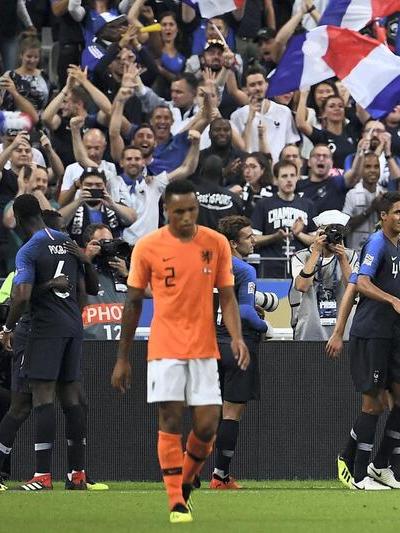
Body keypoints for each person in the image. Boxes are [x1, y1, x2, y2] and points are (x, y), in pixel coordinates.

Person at [111, 179, 250, 523]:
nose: (187, 217)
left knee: (206, 427)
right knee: (170, 419)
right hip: (165, 346)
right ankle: (176, 502)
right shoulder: (147, 246)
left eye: (192, 210)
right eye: (179, 211)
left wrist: (236, 336)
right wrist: (123, 358)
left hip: (204, 347)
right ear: (166, 211)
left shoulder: (215, 242)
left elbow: (228, 295)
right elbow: (131, 303)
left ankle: (185, 483)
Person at [0, 194, 98, 491]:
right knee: (72, 399)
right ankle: (77, 474)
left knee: (42, 397)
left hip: (45, 329)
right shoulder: (67, 242)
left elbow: (23, 295)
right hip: (73, 327)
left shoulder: (29, 249)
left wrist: (7, 327)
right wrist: (85, 261)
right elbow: (90, 289)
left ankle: (42, 476)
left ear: (16, 217)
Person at [327, 192, 400, 490]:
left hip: (393, 334)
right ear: (383, 216)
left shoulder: (398, 244)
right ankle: (356, 472)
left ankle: (380, 466)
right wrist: (339, 332)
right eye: (398, 212)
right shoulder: (377, 243)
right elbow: (359, 283)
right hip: (371, 333)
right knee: (373, 405)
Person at [210, 215, 269, 490]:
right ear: (233, 243)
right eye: (248, 237)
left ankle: (185, 469)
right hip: (236, 345)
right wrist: (264, 324)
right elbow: (246, 311)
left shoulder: (205, 265)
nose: (253, 240)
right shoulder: (244, 269)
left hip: (207, 344)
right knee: (231, 414)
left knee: (207, 413)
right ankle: (220, 475)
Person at [290, 210, 358, 341]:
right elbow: (302, 286)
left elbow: (354, 291)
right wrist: (316, 251)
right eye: (329, 232)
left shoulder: (350, 256)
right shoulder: (302, 256)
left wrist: (342, 259)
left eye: (338, 233)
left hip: (343, 332)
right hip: (309, 331)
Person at [251, 160, 317, 278]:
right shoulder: (263, 204)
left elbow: (316, 242)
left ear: (297, 178)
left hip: (301, 268)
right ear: (276, 180)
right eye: (284, 176)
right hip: (270, 268)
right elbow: (253, 239)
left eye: (292, 175)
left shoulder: (308, 205)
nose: (289, 180)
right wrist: (275, 236)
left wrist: (298, 234)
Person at [80, 223, 129, 341]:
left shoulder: (122, 268)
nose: (108, 246)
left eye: (110, 241)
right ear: (88, 245)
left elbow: (149, 292)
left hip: (122, 345)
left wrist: (127, 274)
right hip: (90, 345)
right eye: (102, 242)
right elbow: (70, 285)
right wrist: (87, 259)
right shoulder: (79, 268)